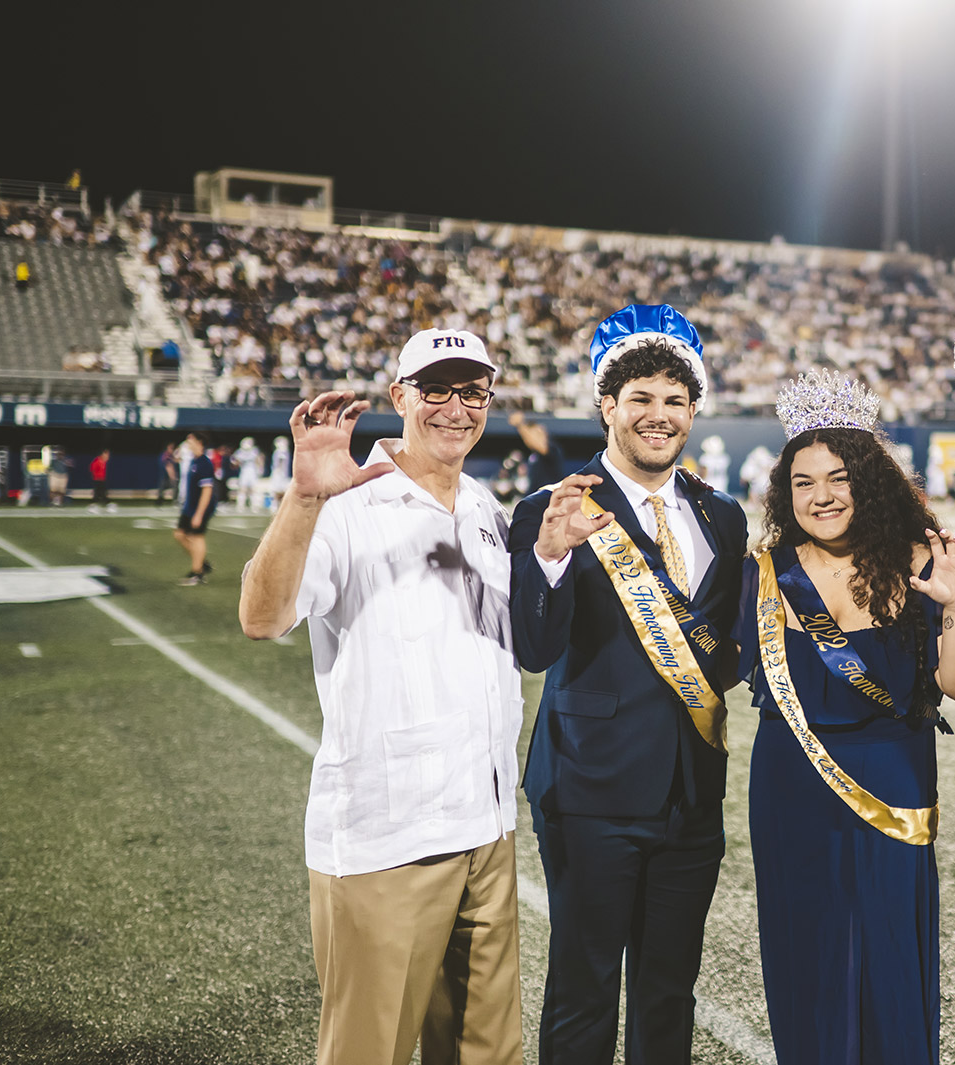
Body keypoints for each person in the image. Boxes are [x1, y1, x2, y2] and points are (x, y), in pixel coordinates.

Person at [238, 328, 525, 1065]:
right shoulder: (345, 501)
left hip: (488, 833)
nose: (455, 408)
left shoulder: (489, 509)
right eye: (436, 388)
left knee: (487, 1053)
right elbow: (262, 617)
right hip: (388, 840)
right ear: (400, 396)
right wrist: (303, 499)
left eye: (472, 391)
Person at [510, 304, 748, 1065]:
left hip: (692, 796)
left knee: (668, 992)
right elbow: (534, 647)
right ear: (606, 405)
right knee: (583, 995)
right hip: (590, 793)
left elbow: (723, 653)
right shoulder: (555, 507)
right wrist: (548, 557)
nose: (659, 415)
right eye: (640, 398)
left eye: (675, 401)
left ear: (693, 411)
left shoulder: (723, 514)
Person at [734, 369, 955, 1065]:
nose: (821, 495)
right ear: (785, 493)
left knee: (887, 945)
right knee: (806, 944)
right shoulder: (763, 572)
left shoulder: (923, 565)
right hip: (790, 785)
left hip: (893, 777)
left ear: (869, 480)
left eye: (838, 477)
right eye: (804, 482)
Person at [174, 433, 217, 585]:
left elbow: (207, 490)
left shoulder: (204, 463)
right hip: (189, 506)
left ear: (199, 442)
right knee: (179, 534)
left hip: (200, 508)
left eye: (190, 439)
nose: (187, 442)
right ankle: (201, 562)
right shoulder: (194, 461)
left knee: (198, 537)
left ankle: (197, 573)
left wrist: (199, 514)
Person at [508, 410, 564, 492]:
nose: (530, 437)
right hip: (534, 496)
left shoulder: (553, 449)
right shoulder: (533, 454)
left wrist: (520, 424)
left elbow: (539, 445)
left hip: (547, 497)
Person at [233, 436, 264, 511]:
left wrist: (260, 469)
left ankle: (254, 505)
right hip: (244, 471)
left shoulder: (254, 450)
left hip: (252, 471)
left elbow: (259, 459)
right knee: (243, 488)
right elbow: (235, 461)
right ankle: (240, 505)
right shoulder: (240, 451)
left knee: (253, 489)